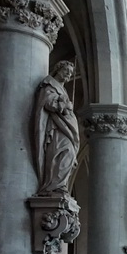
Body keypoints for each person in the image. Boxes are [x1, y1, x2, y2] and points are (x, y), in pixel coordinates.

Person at [31, 60, 80, 196]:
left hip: (65, 127)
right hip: (55, 128)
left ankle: (59, 185)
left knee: (69, 153)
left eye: (70, 73)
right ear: (58, 69)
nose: (68, 75)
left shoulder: (62, 89)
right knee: (63, 151)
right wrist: (65, 106)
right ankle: (53, 185)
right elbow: (49, 104)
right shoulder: (50, 85)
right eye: (66, 71)